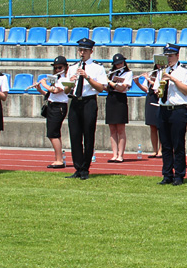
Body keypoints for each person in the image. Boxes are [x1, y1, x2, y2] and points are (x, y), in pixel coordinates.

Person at [65, 38, 108, 180]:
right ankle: (77, 167)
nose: (82, 53)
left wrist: (88, 77)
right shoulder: (72, 67)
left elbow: (101, 88)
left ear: (91, 51)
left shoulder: (97, 67)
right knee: (75, 136)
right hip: (75, 102)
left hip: (89, 101)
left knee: (88, 136)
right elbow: (65, 90)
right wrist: (70, 82)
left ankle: (85, 168)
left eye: (85, 50)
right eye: (80, 50)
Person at [155, 44, 187, 186]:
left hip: (178, 109)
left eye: (171, 56)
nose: (168, 59)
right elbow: (156, 89)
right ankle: (167, 174)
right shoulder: (161, 71)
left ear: (177, 56)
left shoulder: (185, 70)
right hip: (164, 108)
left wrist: (173, 80)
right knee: (165, 144)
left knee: (178, 144)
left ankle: (179, 175)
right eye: (166, 56)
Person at [36, 56, 70, 168]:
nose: (57, 70)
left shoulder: (65, 79)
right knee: (54, 134)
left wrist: (44, 84)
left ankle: (59, 160)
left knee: (52, 134)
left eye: (59, 67)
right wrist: (40, 89)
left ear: (65, 67)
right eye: (55, 68)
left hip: (58, 107)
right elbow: (50, 95)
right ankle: (58, 158)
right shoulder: (55, 79)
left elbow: (55, 91)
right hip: (52, 105)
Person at [104, 53, 133, 163]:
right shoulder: (111, 74)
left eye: (121, 63)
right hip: (111, 99)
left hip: (120, 100)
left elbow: (122, 88)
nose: (119, 65)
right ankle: (114, 154)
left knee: (120, 129)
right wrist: (107, 83)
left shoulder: (128, 73)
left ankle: (120, 155)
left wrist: (111, 83)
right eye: (117, 64)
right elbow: (106, 88)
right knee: (112, 129)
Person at [133, 63, 162, 158]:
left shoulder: (165, 73)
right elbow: (147, 89)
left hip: (159, 99)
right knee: (152, 126)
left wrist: (149, 79)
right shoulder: (152, 73)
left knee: (161, 127)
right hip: (150, 99)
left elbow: (159, 87)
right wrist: (137, 83)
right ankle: (154, 149)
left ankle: (161, 150)